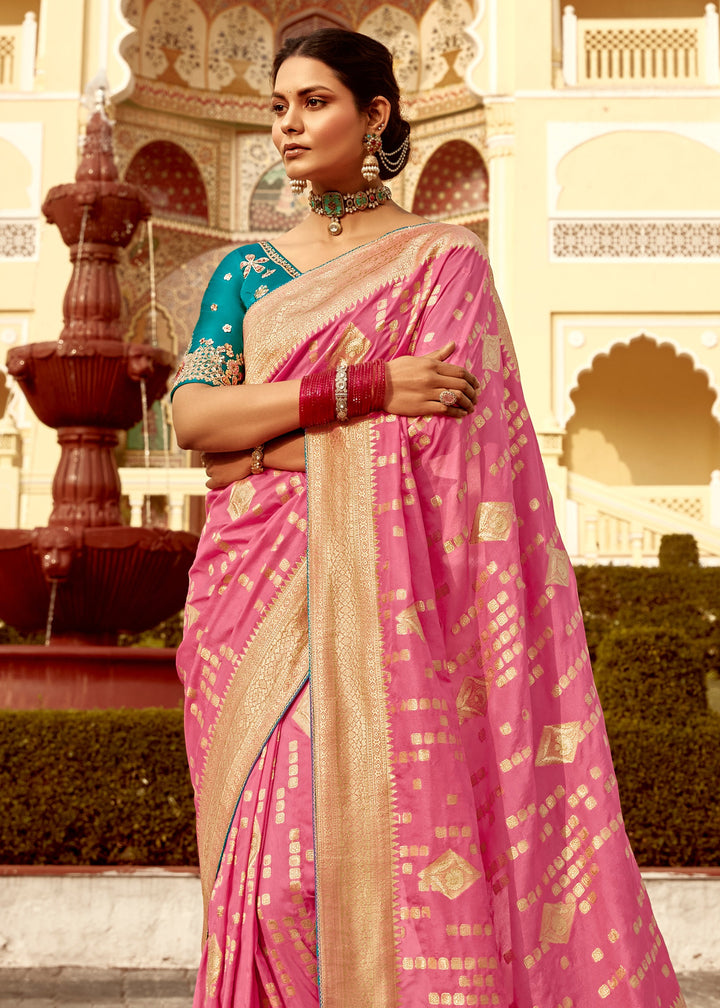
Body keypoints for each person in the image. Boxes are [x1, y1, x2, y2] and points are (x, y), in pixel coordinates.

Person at [171, 28, 684, 1008]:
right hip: (248, 599)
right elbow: (194, 417)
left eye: (314, 102)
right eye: (278, 106)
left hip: (389, 609)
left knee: (329, 872)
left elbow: (450, 463)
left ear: (375, 115)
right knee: (265, 884)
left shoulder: (443, 263)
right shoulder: (247, 270)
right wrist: (361, 389)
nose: (288, 125)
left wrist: (257, 450)